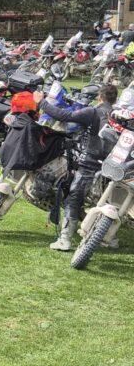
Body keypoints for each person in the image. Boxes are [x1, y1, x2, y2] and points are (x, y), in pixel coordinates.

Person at [33, 83, 118, 251]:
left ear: (100, 97)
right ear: (114, 99)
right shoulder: (118, 116)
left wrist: (41, 102)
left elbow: (63, 115)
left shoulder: (93, 111)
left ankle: (65, 240)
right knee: (105, 201)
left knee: (73, 197)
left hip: (89, 164)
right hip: (111, 169)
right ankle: (111, 236)